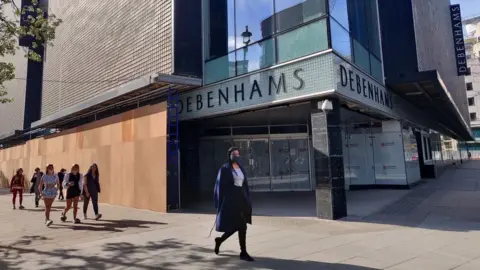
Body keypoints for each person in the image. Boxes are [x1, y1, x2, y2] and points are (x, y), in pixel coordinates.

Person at [213, 147, 254, 262]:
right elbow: (219, 186)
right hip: (230, 201)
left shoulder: (240, 168)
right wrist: (219, 202)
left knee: (239, 226)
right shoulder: (225, 168)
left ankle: (220, 241)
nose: (236, 155)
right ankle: (243, 252)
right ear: (229, 155)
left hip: (241, 199)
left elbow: (244, 184)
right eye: (233, 153)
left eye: (237, 153)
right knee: (241, 226)